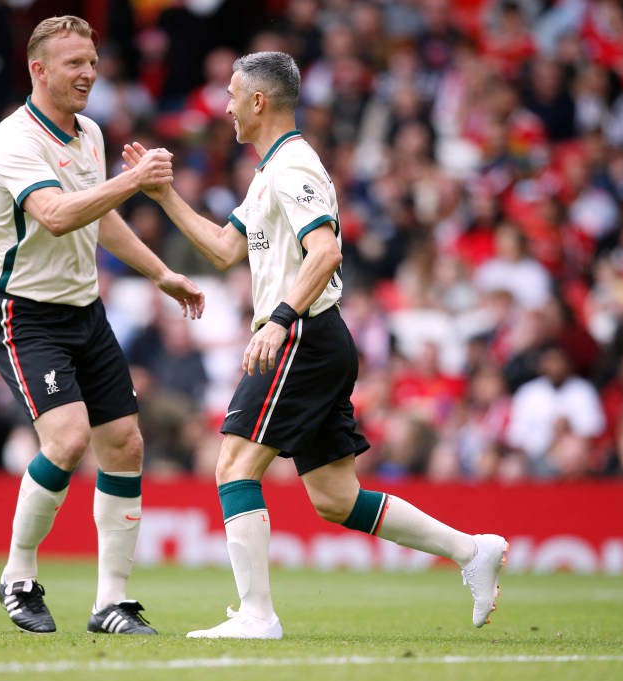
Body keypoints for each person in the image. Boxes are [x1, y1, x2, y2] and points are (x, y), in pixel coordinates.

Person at [123, 51, 507, 639]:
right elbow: (226, 249)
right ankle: (470, 550)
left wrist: (278, 319)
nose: (223, 106)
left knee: (232, 465)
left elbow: (325, 251)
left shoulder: (294, 167)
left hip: (301, 332)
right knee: (334, 497)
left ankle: (257, 616)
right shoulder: (270, 170)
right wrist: (165, 197)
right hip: (316, 335)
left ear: (258, 101)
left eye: (230, 94)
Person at [0, 15, 204, 636]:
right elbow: (54, 215)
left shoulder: (90, 134)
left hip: (86, 311)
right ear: (39, 70)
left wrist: (160, 273)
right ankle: (18, 576)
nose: (88, 72)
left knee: (126, 445)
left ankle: (111, 602)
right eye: (73, 62)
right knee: (68, 438)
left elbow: (98, 218)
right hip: (24, 313)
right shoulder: (13, 141)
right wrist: (133, 181)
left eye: (92, 59)